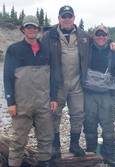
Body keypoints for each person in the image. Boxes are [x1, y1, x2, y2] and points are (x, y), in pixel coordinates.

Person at [3, 15, 57, 167]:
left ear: (38, 30)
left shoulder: (46, 50)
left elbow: (54, 76)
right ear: (23, 30)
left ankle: (44, 162)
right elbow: (7, 78)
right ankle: (14, 164)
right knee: (18, 139)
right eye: (28, 27)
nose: (31, 30)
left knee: (46, 137)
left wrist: (53, 98)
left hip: (43, 102)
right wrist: (10, 102)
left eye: (34, 27)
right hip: (21, 104)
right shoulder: (13, 50)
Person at [42, 5, 91, 158]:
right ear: (59, 19)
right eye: (64, 16)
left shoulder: (84, 36)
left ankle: (74, 144)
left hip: (77, 83)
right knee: (54, 115)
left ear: (74, 18)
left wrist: (110, 41)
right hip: (58, 85)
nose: (67, 19)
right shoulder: (49, 35)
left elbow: (99, 41)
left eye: (69, 16)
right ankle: (55, 145)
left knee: (78, 114)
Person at [83, 25, 115, 167]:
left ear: (108, 37)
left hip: (107, 95)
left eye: (104, 35)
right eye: (98, 34)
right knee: (89, 125)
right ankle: (91, 153)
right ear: (94, 36)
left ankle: (109, 156)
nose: (101, 37)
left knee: (108, 127)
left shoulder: (113, 51)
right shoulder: (87, 49)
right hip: (89, 95)